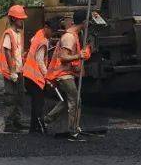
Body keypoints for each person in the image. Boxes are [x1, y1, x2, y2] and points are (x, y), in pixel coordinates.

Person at [44, 11, 91, 142]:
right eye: (89, 21)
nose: (89, 24)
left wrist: (83, 55)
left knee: (66, 101)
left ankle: (46, 120)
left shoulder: (74, 35)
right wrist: (79, 56)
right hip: (63, 74)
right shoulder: (69, 37)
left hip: (66, 73)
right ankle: (73, 130)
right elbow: (63, 57)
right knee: (75, 100)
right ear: (84, 22)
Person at [0, 4, 29, 132]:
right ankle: (9, 124)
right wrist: (12, 71)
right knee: (11, 97)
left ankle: (17, 121)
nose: (23, 21)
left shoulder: (19, 33)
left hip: (19, 70)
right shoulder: (9, 33)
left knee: (20, 96)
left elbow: (16, 52)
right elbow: (8, 53)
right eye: (21, 19)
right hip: (11, 72)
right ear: (14, 19)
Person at [23, 18, 59, 134]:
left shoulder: (38, 33)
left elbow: (31, 40)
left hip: (28, 74)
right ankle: (38, 127)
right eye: (52, 31)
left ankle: (33, 128)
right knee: (38, 103)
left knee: (35, 103)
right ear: (47, 28)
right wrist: (47, 76)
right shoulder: (43, 41)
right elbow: (40, 61)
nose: (53, 34)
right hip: (35, 76)